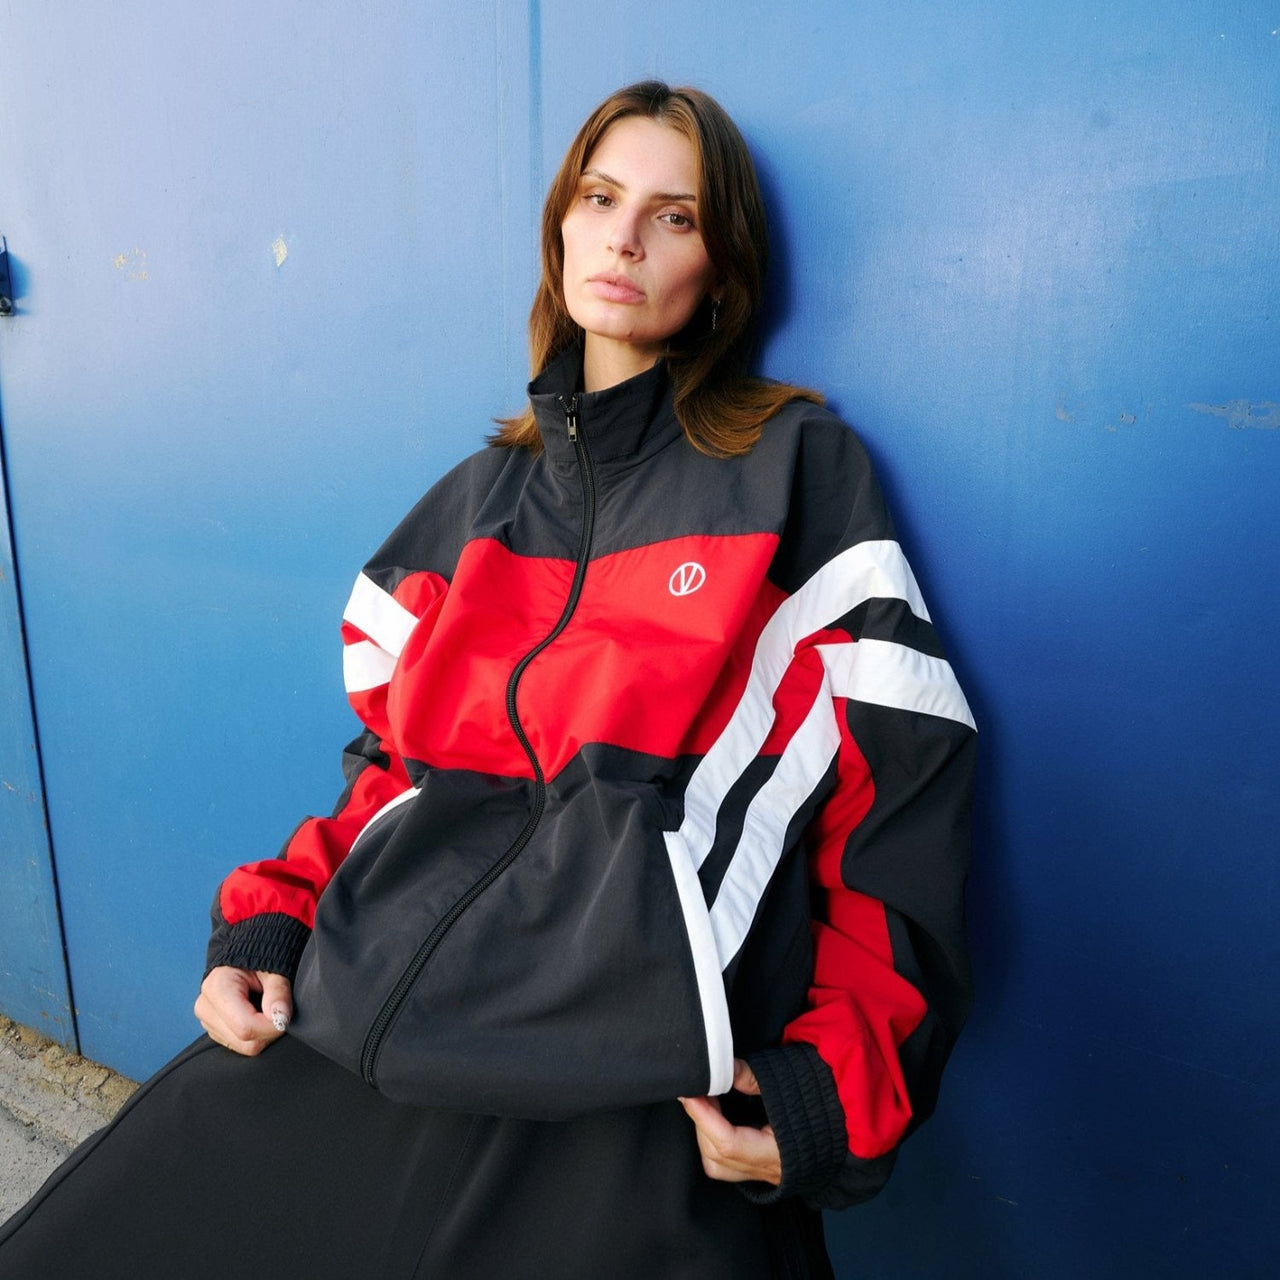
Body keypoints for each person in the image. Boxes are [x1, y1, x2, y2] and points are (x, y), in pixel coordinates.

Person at [0, 81, 975, 1278]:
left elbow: (891, 800)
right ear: (560, 225)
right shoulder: (474, 504)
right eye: (601, 197)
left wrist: (827, 1088)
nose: (622, 237)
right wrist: (270, 915)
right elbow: (393, 770)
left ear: (720, 273)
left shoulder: (790, 472)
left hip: (628, 1078)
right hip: (372, 1012)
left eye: (673, 216)